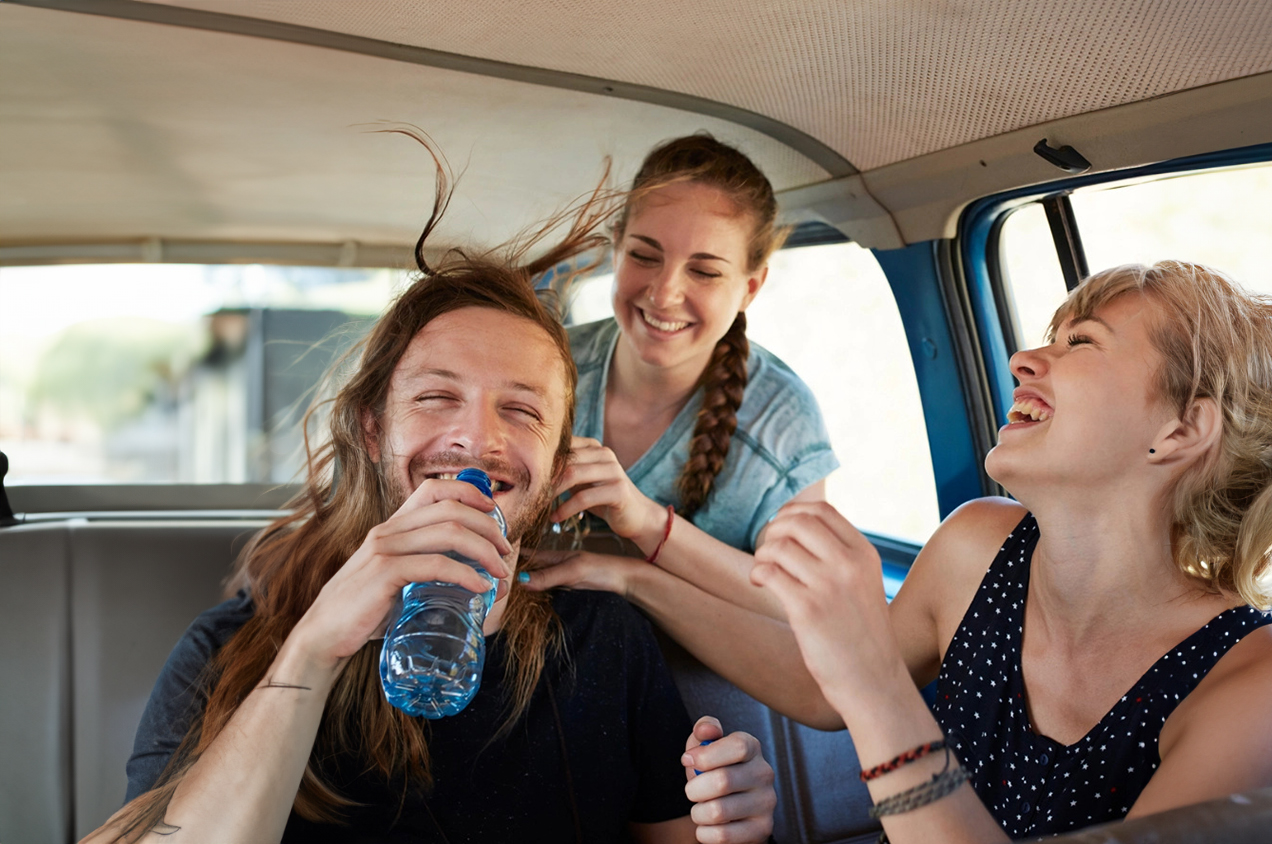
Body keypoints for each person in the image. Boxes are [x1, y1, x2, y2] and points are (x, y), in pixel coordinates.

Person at [83, 135, 776, 844]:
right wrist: (315, 649)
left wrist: (730, 827)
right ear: (371, 428)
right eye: (437, 398)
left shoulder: (603, 640)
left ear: (558, 458)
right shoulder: (237, 646)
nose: (479, 440)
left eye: (522, 409)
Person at [528, 261, 1272, 841]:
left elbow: (855, 688)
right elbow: (820, 694)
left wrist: (877, 686)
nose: (1027, 359)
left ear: (1182, 428)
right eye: (1047, 336)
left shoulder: (1270, 675)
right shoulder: (977, 545)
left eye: (1083, 343)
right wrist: (626, 579)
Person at [546, 134, 836, 621]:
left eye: (703, 271)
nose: (664, 294)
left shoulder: (781, 421)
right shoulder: (546, 364)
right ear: (616, 247)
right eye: (644, 256)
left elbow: (804, 605)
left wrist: (641, 541)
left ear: (750, 287)